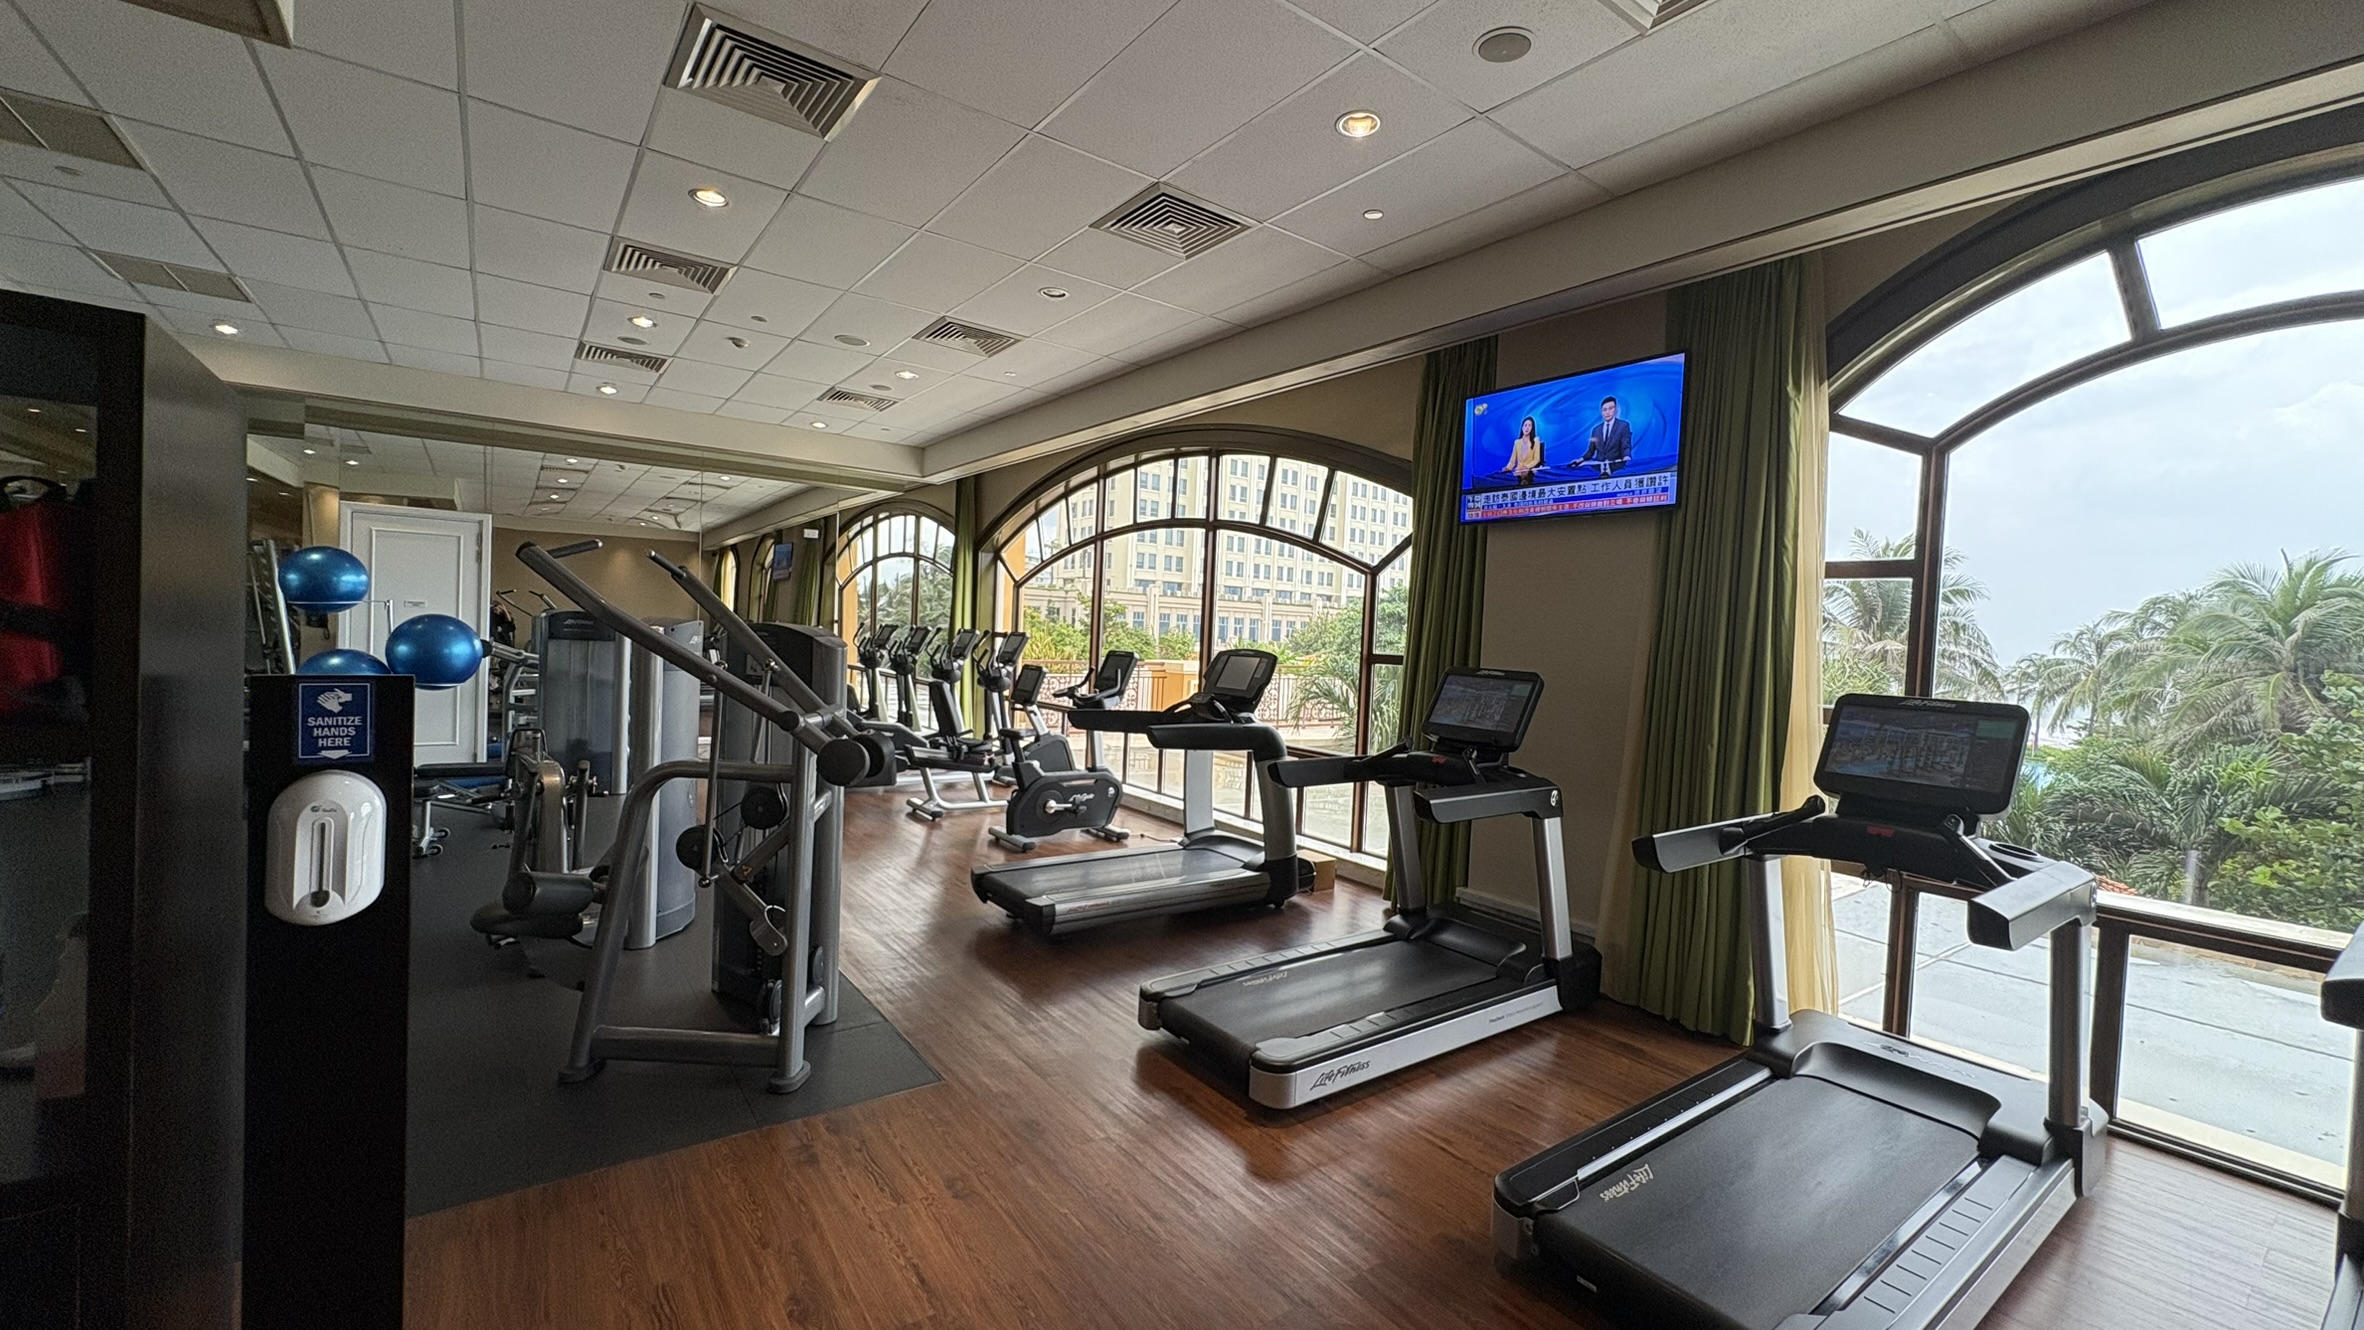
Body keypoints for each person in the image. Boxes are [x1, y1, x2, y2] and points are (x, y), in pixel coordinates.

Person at [1580, 397, 1633, 474]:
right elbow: (1590, 451)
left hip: (1616, 468)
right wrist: (1580, 459)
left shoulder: (1623, 426)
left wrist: (1626, 457)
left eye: (1610, 408)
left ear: (1616, 409)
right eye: (1604, 410)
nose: (1607, 412)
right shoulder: (1596, 430)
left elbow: (1625, 446)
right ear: (1601, 412)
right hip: (1599, 469)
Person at [1507, 416, 1544, 484]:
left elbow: (1537, 459)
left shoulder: (1536, 440)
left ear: (1532, 428)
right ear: (1522, 427)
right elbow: (1512, 461)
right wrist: (1507, 468)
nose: (1527, 428)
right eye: (1525, 425)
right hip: (1518, 472)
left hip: (1530, 471)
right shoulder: (1517, 442)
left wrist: (1526, 467)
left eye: (1529, 426)